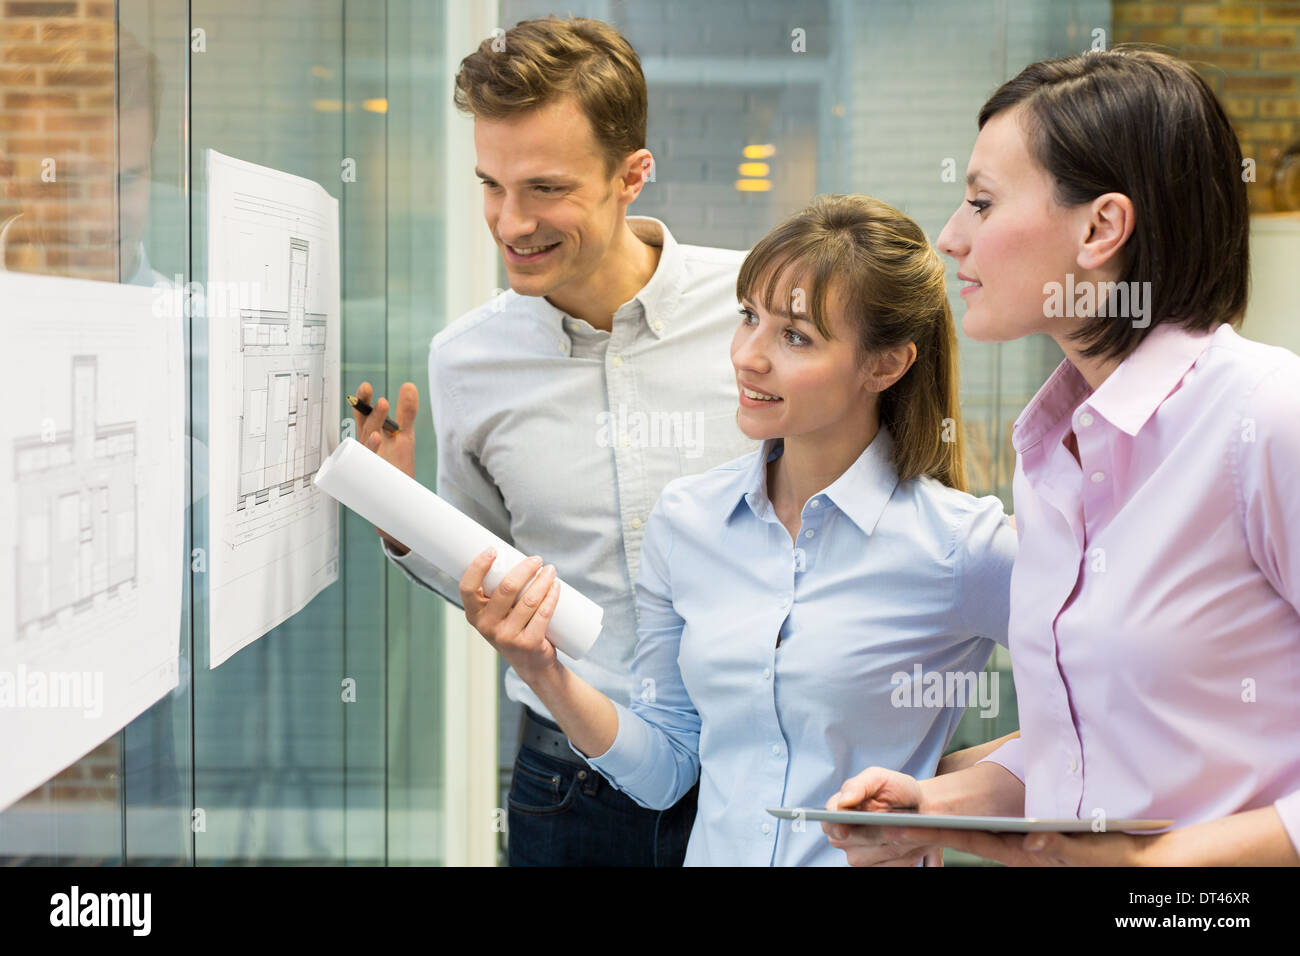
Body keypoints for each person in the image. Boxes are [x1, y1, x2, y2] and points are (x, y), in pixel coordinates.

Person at [824, 48, 1300, 866]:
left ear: (1100, 228)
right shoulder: (1057, 446)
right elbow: (1098, 743)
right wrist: (938, 805)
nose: (950, 236)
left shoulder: (1265, 416)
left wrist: (1166, 869)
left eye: (981, 201)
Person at [457, 193, 1018, 866]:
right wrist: (543, 670)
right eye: (748, 317)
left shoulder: (962, 545)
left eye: (795, 336)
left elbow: (1115, 727)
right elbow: (667, 769)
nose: (748, 357)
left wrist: (939, 797)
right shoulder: (687, 522)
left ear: (886, 365)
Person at [352, 16, 759, 866]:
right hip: (571, 784)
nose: (509, 221)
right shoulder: (467, 359)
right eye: (491, 185)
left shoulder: (757, 310)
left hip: (758, 767)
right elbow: (482, 568)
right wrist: (403, 518)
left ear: (632, 175)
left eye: (544, 188)